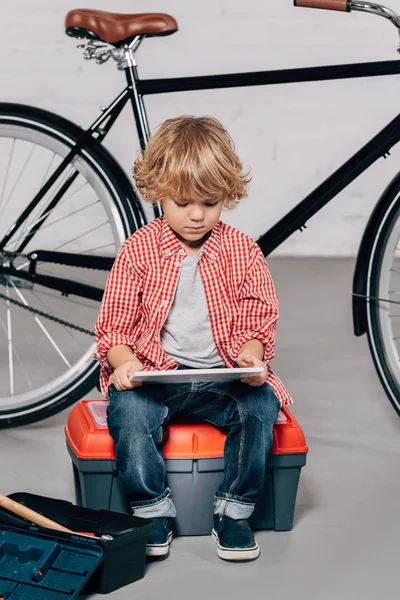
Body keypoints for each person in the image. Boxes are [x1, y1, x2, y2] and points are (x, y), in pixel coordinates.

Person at [94, 115, 293, 562]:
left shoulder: (242, 251)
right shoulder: (138, 251)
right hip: (157, 377)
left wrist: (251, 353)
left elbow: (258, 314)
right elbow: (115, 326)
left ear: (227, 195)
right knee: (128, 413)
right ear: (158, 191)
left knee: (261, 407)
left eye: (210, 202)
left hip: (220, 377)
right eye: (182, 202)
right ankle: (150, 509)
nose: (197, 215)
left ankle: (233, 511)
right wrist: (124, 361)